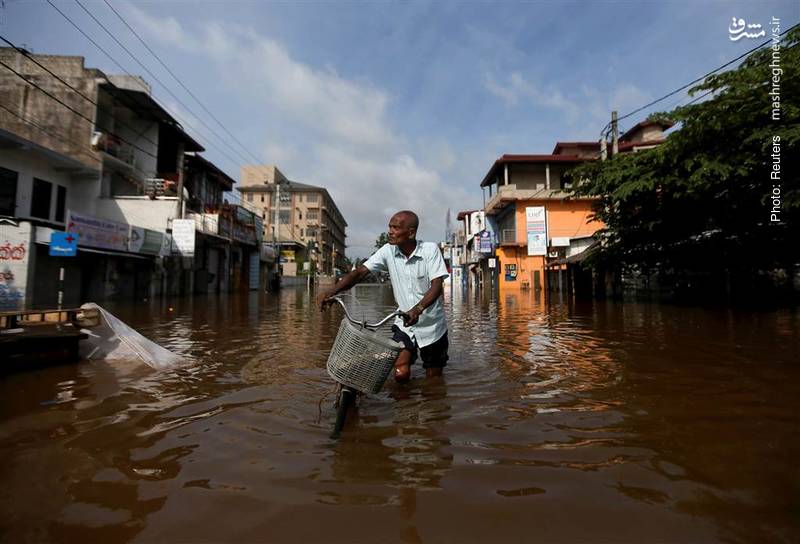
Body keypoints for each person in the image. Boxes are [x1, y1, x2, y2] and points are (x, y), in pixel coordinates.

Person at [316, 210, 450, 383]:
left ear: (411, 232)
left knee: (434, 379)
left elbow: (437, 285)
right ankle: (404, 407)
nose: (390, 231)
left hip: (433, 327)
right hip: (405, 323)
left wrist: (417, 309)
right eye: (389, 227)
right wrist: (331, 292)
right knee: (400, 372)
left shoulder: (430, 250)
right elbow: (359, 273)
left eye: (395, 227)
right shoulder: (388, 251)